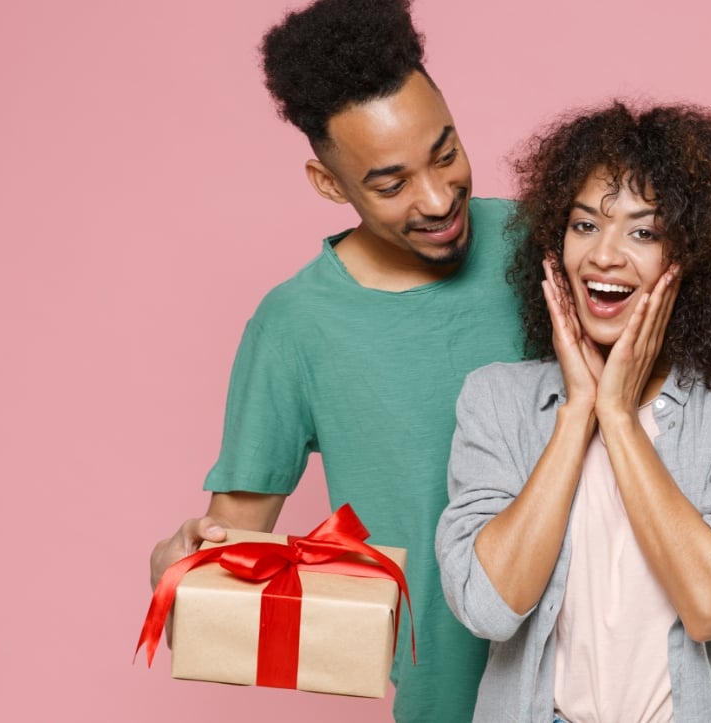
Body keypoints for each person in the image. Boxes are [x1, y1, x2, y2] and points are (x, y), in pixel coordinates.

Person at [147, 1, 523, 721]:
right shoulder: (295, 326)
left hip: (613, 685)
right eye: (392, 184)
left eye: (446, 153)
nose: (439, 198)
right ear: (330, 185)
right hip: (446, 706)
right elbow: (231, 560)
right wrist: (180, 574)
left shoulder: (555, 246)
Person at [436, 102, 711, 722]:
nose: (603, 257)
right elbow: (489, 605)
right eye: (584, 225)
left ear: (696, 256)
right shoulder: (497, 399)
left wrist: (617, 416)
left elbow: (710, 603)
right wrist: (577, 410)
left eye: (643, 232)